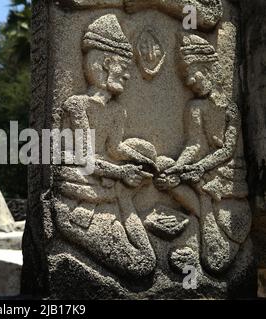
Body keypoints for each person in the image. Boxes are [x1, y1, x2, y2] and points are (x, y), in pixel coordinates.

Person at [55, 14, 156, 277]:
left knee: (145, 261)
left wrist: (145, 162)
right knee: (141, 263)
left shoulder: (116, 111)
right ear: (106, 63)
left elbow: (116, 148)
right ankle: (69, 267)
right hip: (80, 195)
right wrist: (122, 173)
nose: (128, 76)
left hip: (108, 187)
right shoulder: (77, 105)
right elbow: (85, 158)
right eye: (124, 66)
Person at [156, 35, 251, 273]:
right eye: (186, 76)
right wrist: (177, 168)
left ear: (211, 68)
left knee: (201, 185)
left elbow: (227, 150)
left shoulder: (230, 108)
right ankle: (201, 216)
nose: (190, 80)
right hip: (202, 169)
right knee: (165, 164)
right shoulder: (194, 108)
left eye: (194, 72)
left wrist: (200, 168)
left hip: (227, 172)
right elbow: (194, 145)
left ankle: (203, 218)